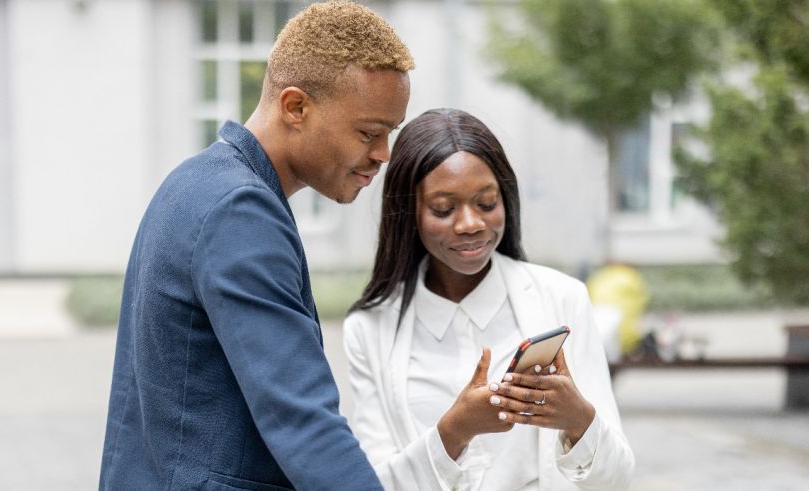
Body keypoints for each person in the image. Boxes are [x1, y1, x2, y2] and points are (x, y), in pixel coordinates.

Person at [99, 2, 413, 490]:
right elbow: (302, 422)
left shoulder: (195, 180)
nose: (383, 155)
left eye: (389, 134)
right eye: (369, 132)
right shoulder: (239, 213)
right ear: (295, 107)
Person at [343, 108, 634, 490]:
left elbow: (616, 480)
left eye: (486, 203)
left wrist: (578, 420)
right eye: (444, 209)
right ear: (408, 214)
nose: (470, 224)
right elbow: (376, 484)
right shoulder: (369, 329)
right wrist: (454, 431)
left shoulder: (562, 298)